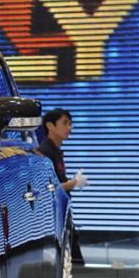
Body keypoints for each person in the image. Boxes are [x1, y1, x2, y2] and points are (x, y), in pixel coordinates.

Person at [36, 108, 87, 263]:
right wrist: (74, 183)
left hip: (62, 213)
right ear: (50, 125)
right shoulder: (44, 152)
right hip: (53, 217)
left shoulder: (56, 151)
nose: (69, 128)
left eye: (70, 124)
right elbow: (48, 187)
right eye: (65, 123)